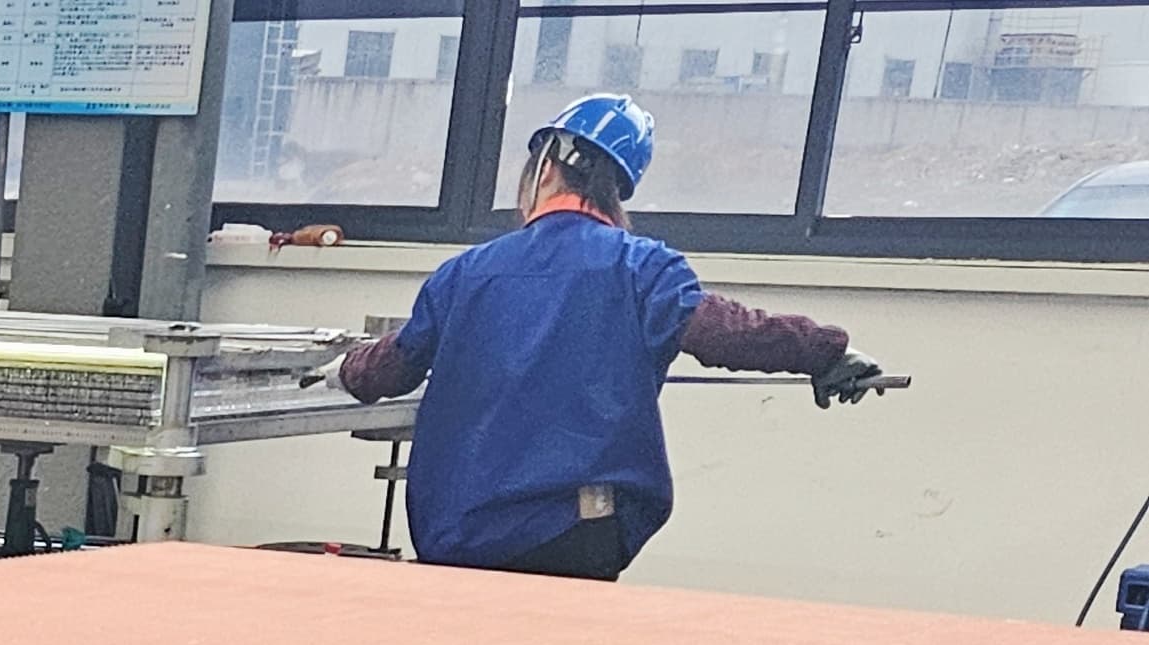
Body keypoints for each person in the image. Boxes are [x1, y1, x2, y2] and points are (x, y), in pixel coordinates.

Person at [333, 94, 888, 580]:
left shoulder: (465, 273)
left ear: (546, 165)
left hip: (459, 534)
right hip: (580, 533)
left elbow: (393, 366)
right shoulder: (643, 269)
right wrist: (826, 350)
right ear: (618, 188)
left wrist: (342, 369)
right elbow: (729, 333)